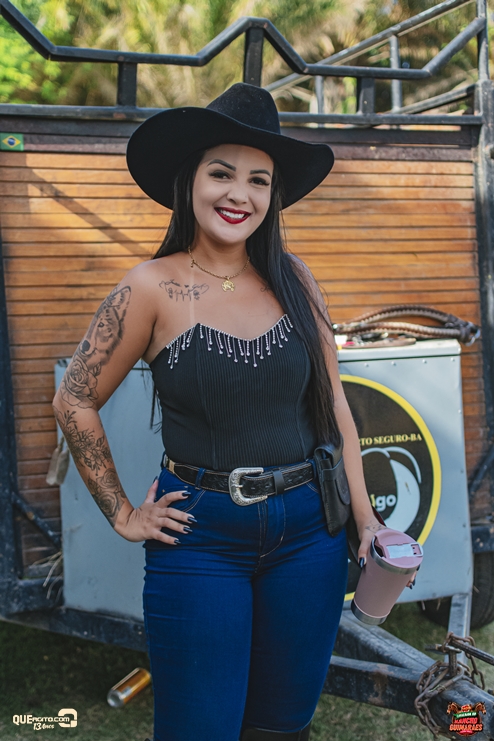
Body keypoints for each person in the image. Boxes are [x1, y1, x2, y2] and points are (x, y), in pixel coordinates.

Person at [52, 83, 387, 741]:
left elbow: (334, 408)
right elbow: (74, 399)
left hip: (309, 535)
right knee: (199, 727)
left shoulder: (296, 278)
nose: (240, 194)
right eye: (222, 173)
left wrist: (367, 520)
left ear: (274, 196)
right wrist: (123, 512)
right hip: (200, 538)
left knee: (282, 724)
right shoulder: (150, 286)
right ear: (190, 181)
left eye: (259, 180)